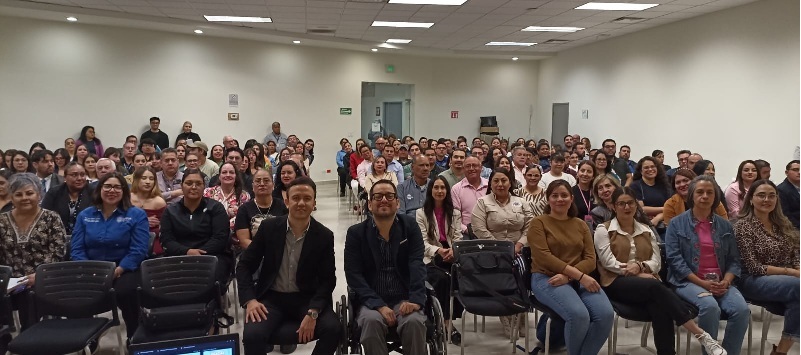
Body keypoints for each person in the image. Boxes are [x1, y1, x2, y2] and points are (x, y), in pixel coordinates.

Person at [595, 187, 726, 355]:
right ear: (613, 206)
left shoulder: (646, 229)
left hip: (647, 284)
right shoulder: (603, 229)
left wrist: (640, 267)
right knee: (655, 287)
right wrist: (638, 273)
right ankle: (699, 333)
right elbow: (608, 263)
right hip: (615, 282)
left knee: (660, 305)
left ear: (636, 205)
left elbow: (656, 262)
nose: (627, 207)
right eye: (621, 204)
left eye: (630, 203)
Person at [236, 177, 339, 355]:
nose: (301, 203)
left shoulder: (324, 235)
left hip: (306, 298)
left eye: (307, 198)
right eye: (296, 198)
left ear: (314, 203)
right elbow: (244, 265)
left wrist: (313, 311)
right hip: (272, 298)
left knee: (333, 329)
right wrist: (250, 300)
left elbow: (327, 280)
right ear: (286, 201)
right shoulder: (268, 228)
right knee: (252, 336)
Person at [665, 175, 750, 355]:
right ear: (692, 195)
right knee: (710, 307)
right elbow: (674, 260)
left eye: (710, 192)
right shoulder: (676, 224)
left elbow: (734, 260)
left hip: (721, 281)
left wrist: (726, 281)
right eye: (700, 192)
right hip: (688, 281)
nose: (705, 196)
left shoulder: (725, 225)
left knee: (742, 310)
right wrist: (703, 283)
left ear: (715, 196)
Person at [528, 180, 614, 355]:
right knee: (579, 315)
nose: (560, 199)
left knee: (605, 315)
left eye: (564, 195)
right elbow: (544, 257)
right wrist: (579, 276)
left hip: (576, 278)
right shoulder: (538, 223)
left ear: (571, 198)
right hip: (547, 277)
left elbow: (591, 259)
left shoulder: (581, 224)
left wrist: (570, 277)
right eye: (555, 195)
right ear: (548, 199)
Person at [344, 179, 427, 355]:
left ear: (398, 202)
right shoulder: (356, 233)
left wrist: (415, 300)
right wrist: (378, 305)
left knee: (414, 322)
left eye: (389, 196)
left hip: (404, 298)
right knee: (371, 322)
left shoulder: (410, 227)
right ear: (369, 204)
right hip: (371, 301)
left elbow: (417, 264)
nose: (383, 200)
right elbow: (353, 275)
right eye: (378, 196)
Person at [71, 173, 149, 340]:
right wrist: (88, 269)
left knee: (127, 292)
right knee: (76, 292)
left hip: (124, 268)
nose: (111, 190)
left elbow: (138, 249)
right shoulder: (85, 215)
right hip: (91, 268)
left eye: (117, 187)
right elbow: (77, 248)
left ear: (124, 191)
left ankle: (134, 337)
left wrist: (120, 269)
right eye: (107, 186)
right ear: (99, 189)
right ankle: (86, 339)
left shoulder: (136, 215)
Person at [734, 179, 799, 355]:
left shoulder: (782, 223)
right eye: (761, 195)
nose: (767, 199)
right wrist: (792, 272)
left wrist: (797, 268)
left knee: (798, 300)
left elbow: (795, 253)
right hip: (752, 280)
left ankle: (781, 351)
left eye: (771, 196)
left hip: (786, 280)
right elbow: (753, 267)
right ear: (751, 199)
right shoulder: (743, 226)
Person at [471, 168, 532, 336]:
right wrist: (501, 248)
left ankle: (521, 311)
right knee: (501, 274)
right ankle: (505, 313)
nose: (500, 184)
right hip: (492, 251)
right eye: (496, 181)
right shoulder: (483, 202)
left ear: (510, 182)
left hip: (518, 250)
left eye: (504, 180)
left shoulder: (521, 202)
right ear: (490, 183)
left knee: (522, 271)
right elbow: (478, 228)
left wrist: (519, 245)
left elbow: (530, 226)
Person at [0, 173, 66, 330]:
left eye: (29, 193)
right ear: (11, 197)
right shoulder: (2, 221)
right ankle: (5, 335)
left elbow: (58, 251)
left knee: (28, 295)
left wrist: (39, 275)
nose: (24, 198)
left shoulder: (51, 218)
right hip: (10, 280)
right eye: (18, 194)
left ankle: (29, 337)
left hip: (44, 277)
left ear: (39, 194)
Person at [160, 169, 233, 288]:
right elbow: (167, 240)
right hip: (179, 256)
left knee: (211, 282)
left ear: (204, 187)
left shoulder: (216, 208)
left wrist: (199, 253)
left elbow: (220, 238)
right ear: (182, 186)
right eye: (189, 183)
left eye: (198, 183)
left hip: (212, 256)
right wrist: (187, 252)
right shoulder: (170, 211)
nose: (194, 187)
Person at [415, 176, 464, 344]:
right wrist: (439, 251)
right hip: (431, 256)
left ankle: (446, 318)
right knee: (442, 279)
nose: (439, 191)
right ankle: (446, 323)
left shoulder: (454, 212)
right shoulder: (421, 213)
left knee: (460, 276)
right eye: (436, 187)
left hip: (451, 254)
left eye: (443, 188)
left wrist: (453, 250)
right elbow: (422, 242)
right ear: (430, 190)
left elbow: (457, 237)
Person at [234, 169, 288, 250]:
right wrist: (263, 252)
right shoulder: (244, 209)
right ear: (252, 186)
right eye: (258, 181)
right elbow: (244, 241)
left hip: (278, 252)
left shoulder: (281, 205)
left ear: (273, 185)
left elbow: (287, 234)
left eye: (266, 181)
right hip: (252, 252)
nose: (262, 184)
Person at [204, 162, 251, 249]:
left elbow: (242, 220)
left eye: (231, 172)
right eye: (224, 172)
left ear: (236, 176)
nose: (228, 175)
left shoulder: (244, 196)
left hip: (234, 241)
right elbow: (204, 216)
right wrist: (227, 213)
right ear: (219, 176)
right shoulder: (208, 193)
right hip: (209, 237)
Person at [42, 162, 93, 235]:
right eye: (74, 175)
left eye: (82, 175)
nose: (79, 178)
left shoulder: (93, 193)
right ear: (65, 177)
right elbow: (44, 215)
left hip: (86, 235)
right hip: (57, 235)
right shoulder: (54, 192)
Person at [663, 169, 728, 226]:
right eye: (678, 182)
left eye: (685, 180)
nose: (682, 184)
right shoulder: (670, 204)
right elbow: (670, 229)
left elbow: (725, 225)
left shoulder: (711, 200)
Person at [130, 166, 167, 256]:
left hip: (153, 238)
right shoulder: (127, 199)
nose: (148, 182)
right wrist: (144, 222)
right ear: (136, 180)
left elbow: (164, 227)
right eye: (144, 178)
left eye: (151, 179)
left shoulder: (159, 202)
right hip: (130, 236)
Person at [630, 157, 672, 228]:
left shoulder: (664, 185)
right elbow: (640, 209)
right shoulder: (635, 186)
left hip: (663, 223)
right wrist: (664, 209)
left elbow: (670, 208)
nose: (650, 169)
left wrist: (657, 218)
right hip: (644, 225)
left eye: (653, 166)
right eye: (646, 167)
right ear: (641, 171)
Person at [451, 156, 488, 236]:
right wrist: (467, 230)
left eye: (474, 165)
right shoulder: (456, 189)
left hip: (490, 230)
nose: (471, 169)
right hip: (466, 233)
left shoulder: (490, 186)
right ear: (463, 169)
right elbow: (455, 217)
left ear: (481, 168)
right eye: (468, 166)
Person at [776, 160, 799, 229]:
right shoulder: (781, 190)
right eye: (795, 170)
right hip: (794, 229)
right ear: (786, 172)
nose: (799, 172)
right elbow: (785, 215)